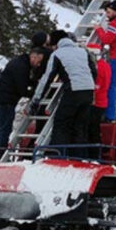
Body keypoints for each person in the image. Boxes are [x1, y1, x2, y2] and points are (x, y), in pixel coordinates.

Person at [29, 30, 97, 159]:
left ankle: (57, 156)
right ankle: (79, 158)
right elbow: (93, 71)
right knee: (80, 126)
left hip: (73, 89)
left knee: (61, 123)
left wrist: (36, 99)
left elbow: (47, 78)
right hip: (88, 90)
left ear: (55, 43)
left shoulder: (57, 54)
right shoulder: (82, 51)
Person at [0, 48, 45, 162]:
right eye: (38, 61)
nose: (38, 65)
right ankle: (0, 157)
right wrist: (36, 95)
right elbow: (22, 88)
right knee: (4, 130)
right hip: (5, 102)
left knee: (1, 129)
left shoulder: (19, 62)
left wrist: (34, 83)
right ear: (33, 57)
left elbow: (21, 82)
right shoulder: (22, 67)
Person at [87, 43, 111, 159]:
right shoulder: (105, 66)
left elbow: (98, 85)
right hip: (100, 101)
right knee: (94, 128)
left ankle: (93, 154)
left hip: (95, 102)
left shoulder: (97, 67)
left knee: (90, 129)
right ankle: (96, 152)